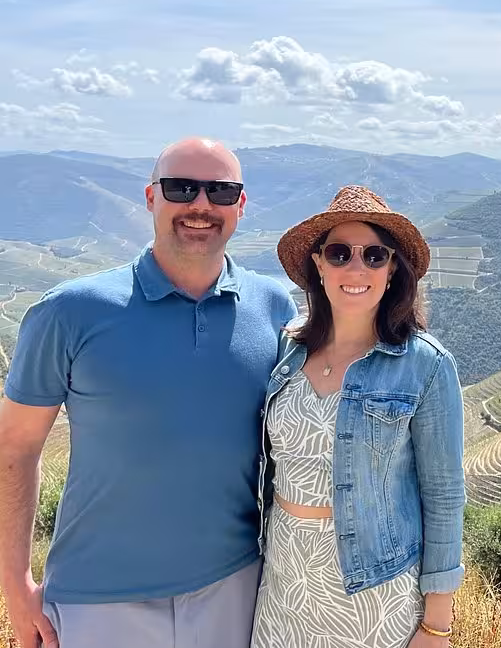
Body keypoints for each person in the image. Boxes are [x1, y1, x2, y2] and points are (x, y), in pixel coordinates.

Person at [0, 138, 297, 648]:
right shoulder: (69, 312)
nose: (201, 205)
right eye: (182, 188)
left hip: (236, 588)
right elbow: (14, 448)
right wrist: (15, 588)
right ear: (150, 197)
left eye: (221, 191)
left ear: (241, 205)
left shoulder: (273, 306)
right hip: (97, 599)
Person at [251, 185, 465, 648]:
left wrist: (436, 626)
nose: (356, 267)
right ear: (318, 265)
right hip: (283, 581)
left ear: (392, 271)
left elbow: (444, 494)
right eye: (340, 252)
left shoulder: (425, 365)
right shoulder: (287, 352)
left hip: (373, 589)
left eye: (374, 256)